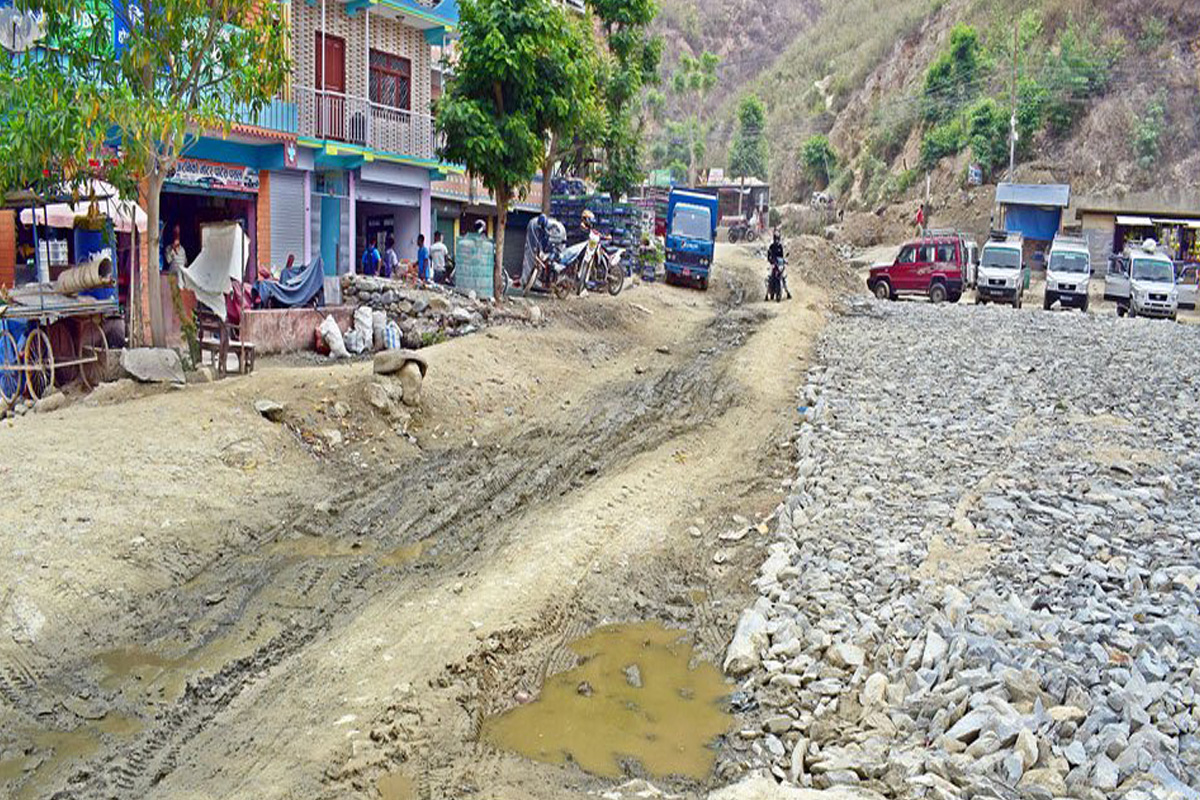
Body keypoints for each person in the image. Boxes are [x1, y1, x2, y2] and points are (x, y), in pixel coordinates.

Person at [523, 213, 551, 290]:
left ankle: (548, 281)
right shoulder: (538, 229)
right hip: (541, 249)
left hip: (548, 250)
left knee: (549, 265)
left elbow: (548, 242)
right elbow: (537, 240)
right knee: (537, 262)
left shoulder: (548, 232)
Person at [767, 230, 792, 300]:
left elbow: (781, 256)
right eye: (776, 239)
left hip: (779, 265)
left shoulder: (780, 247)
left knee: (783, 277)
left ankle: (787, 292)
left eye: (778, 239)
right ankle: (766, 294)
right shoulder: (771, 246)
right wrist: (770, 260)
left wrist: (784, 261)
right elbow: (768, 256)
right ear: (774, 239)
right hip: (773, 264)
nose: (777, 240)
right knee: (769, 276)